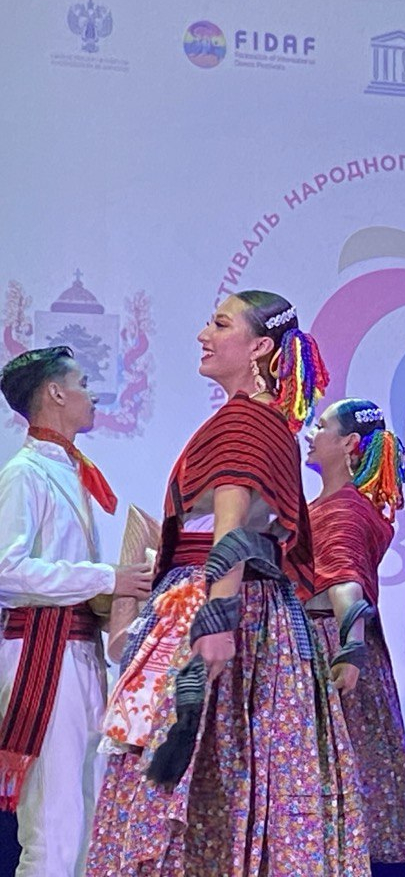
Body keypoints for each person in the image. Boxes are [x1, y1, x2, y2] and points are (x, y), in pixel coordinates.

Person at [86, 291, 368, 876]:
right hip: (255, 610)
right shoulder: (266, 418)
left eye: (219, 324)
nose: (203, 335)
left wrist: (215, 621)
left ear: (260, 346)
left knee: (189, 777)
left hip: (223, 604)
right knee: (239, 770)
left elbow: (233, 529)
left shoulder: (245, 419)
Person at [0, 347, 152, 877]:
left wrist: (120, 601)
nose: (93, 395)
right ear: (55, 393)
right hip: (42, 653)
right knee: (55, 824)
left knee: (88, 817)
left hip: (80, 652)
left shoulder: (69, 472)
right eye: (83, 383)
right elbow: (6, 571)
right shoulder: (24, 473)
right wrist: (108, 578)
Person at [305, 397, 405, 865]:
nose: (310, 433)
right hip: (331, 644)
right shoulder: (333, 506)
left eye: (321, 426)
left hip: (325, 650)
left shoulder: (343, 510)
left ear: (349, 443)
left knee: (326, 788)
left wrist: (349, 651)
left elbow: (347, 585)